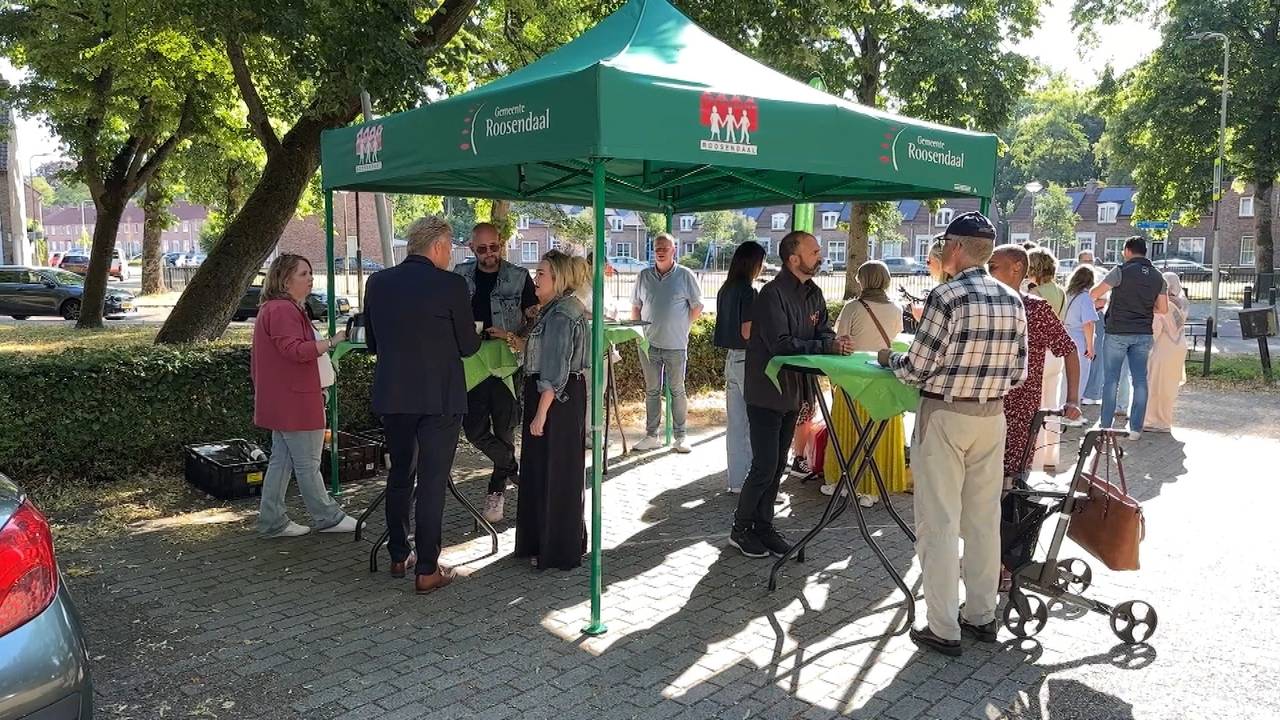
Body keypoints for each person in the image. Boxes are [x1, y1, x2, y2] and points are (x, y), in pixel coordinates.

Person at [877, 212, 1028, 656]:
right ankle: (981, 615)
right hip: (992, 416)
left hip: (944, 414)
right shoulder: (1013, 299)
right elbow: (1018, 374)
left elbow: (917, 367)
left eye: (945, 243)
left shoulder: (946, 295)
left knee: (938, 522)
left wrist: (889, 360)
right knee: (982, 521)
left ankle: (942, 627)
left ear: (957, 248)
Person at [363, 215, 481, 595]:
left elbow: (373, 344)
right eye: (450, 247)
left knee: (400, 474)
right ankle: (427, 568)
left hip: (394, 395)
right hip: (439, 397)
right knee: (432, 481)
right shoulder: (451, 284)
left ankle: (399, 553)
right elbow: (468, 345)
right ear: (439, 247)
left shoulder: (377, 282)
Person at [731, 231, 855, 558]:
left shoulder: (814, 293)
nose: (821, 255)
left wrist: (834, 342)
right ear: (793, 258)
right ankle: (740, 528)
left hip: (794, 392)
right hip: (765, 391)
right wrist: (826, 345)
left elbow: (823, 331)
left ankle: (764, 525)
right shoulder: (771, 295)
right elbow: (782, 345)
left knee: (778, 466)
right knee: (764, 465)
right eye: (814, 251)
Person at [250, 254, 357, 538]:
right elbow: (295, 351)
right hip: (296, 398)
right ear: (285, 280)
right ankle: (328, 517)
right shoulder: (284, 310)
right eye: (303, 274)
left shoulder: (275, 308)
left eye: (310, 272)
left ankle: (273, 520)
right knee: (308, 463)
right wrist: (332, 341)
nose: (310, 278)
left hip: (284, 398)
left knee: (282, 461)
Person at [455, 222, 538, 524]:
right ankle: (515, 469)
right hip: (471, 361)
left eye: (494, 247)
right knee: (474, 430)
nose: (489, 254)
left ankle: (497, 491)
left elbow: (533, 318)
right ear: (471, 248)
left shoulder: (519, 276)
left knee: (505, 430)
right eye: (482, 249)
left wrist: (515, 337)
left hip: (507, 361)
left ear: (501, 244)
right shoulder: (458, 276)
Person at [513, 250, 589, 571]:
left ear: (557, 278)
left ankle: (555, 548)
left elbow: (556, 370)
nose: (535, 279)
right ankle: (548, 542)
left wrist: (541, 412)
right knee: (547, 470)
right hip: (555, 396)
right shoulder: (553, 311)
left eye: (541, 273)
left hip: (556, 400)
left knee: (555, 472)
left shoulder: (561, 314)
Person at [987, 245, 1082, 481]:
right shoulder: (983, 305)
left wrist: (1072, 399)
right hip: (983, 403)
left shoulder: (1035, 309)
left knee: (1013, 476)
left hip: (1020, 408)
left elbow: (1069, 349)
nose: (988, 273)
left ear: (1017, 268)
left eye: (993, 267)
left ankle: (1009, 513)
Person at [824, 261, 908, 506]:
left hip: (855, 378)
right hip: (884, 379)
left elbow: (841, 339)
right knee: (878, 433)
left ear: (863, 281)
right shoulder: (896, 308)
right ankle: (872, 487)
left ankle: (843, 481)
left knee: (847, 427)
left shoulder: (853, 307)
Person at [631, 233, 704, 453]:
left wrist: (682, 326)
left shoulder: (685, 275)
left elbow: (697, 306)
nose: (660, 251)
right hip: (649, 345)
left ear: (674, 250)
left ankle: (680, 436)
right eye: (657, 248)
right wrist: (638, 333)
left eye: (665, 247)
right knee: (652, 391)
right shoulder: (643, 276)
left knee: (677, 390)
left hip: (675, 345)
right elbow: (636, 306)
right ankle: (651, 435)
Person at [1090, 236, 1169, 438]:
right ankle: (1135, 428)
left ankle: (1105, 424)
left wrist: (1108, 300)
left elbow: (1094, 293)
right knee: (1140, 380)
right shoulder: (1158, 277)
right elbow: (1163, 309)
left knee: (1111, 380)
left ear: (1127, 251)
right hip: (1143, 332)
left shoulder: (1120, 271)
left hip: (1117, 331)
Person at [714, 241, 765, 494]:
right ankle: (751, 482)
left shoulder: (725, 289)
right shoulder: (748, 291)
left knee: (735, 424)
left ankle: (736, 482)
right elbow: (748, 331)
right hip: (748, 360)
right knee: (753, 424)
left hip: (731, 359)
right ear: (753, 263)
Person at [1026, 248, 1071, 470]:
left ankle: (1036, 457)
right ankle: (1051, 456)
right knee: (1051, 404)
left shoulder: (1034, 293)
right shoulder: (1060, 291)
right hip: (1056, 353)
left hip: (1039, 352)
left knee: (1036, 404)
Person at [1144, 272, 1188, 431]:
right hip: (1179, 346)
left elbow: (1155, 329)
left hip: (1162, 348)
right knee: (1170, 386)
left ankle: (1153, 420)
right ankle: (1166, 419)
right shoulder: (1183, 301)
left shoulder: (1163, 305)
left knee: (1155, 384)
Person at [1063, 266, 1099, 397]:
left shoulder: (1066, 294)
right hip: (1078, 339)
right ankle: (1074, 406)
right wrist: (1090, 347)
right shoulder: (1085, 297)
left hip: (1065, 335)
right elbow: (1088, 323)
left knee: (1065, 379)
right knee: (1080, 377)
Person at [1078, 250, 1106, 405]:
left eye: (1090, 260)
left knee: (1096, 354)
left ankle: (1093, 393)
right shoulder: (1076, 277)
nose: (1088, 263)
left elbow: (1102, 301)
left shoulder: (1100, 277)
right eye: (1085, 260)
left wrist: (1084, 305)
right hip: (1078, 320)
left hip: (1096, 317)